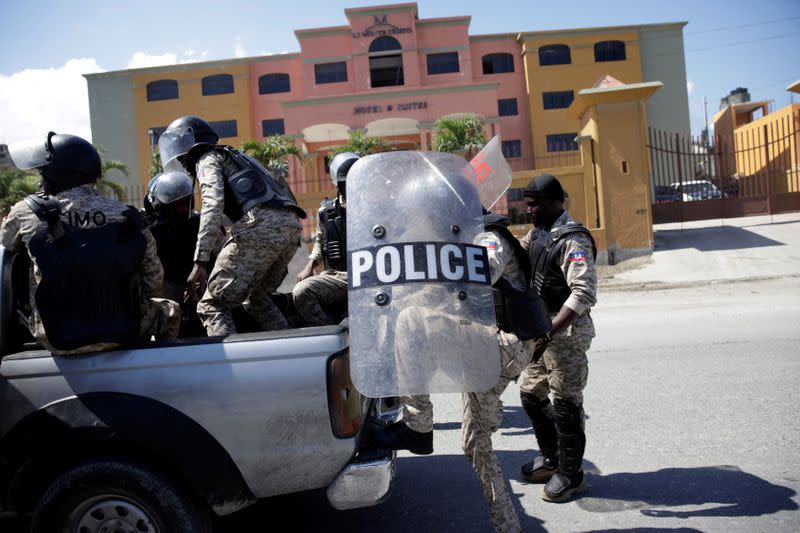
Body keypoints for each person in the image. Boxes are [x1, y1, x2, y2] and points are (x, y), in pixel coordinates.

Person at [0, 132, 180, 355]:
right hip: (124, 334)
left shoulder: (27, 212)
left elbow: (6, 243)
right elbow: (153, 283)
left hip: (57, 340)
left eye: (43, 172)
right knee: (170, 310)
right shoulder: (129, 217)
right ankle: (157, 366)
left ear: (53, 175)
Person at [158, 116, 306, 336]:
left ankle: (228, 367)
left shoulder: (207, 159)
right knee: (257, 299)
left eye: (181, 155)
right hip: (290, 229)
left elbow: (212, 205)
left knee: (212, 305)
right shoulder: (237, 156)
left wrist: (200, 261)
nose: (180, 161)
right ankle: (292, 350)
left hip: (259, 228)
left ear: (191, 144)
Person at [517, 173, 598, 503]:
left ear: (553, 203)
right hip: (542, 334)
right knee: (530, 395)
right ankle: (551, 459)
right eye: (528, 204)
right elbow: (517, 254)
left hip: (565, 336)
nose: (529, 210)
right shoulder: (538, 233)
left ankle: (571, 474)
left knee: (565, 403)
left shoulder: (572, 240)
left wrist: (548, 333)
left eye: (534, 204)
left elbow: (583, 292)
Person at [145, 171, 224, 337]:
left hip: (205, 284)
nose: (181, 210)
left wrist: (206, 282)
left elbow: (225, 261)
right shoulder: (150, 231)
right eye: (174, 205)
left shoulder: (204, 225)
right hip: (168, 288)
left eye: (184, 203)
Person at [292, 152, 356, 326]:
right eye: (345, 183)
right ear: (338, 184)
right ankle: (328, 332)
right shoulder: (327, 213)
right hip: (339, 275)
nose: (350, 186)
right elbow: (321, 242)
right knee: (302, 291)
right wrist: (309, 266)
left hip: (370, 273)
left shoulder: (374, 208)